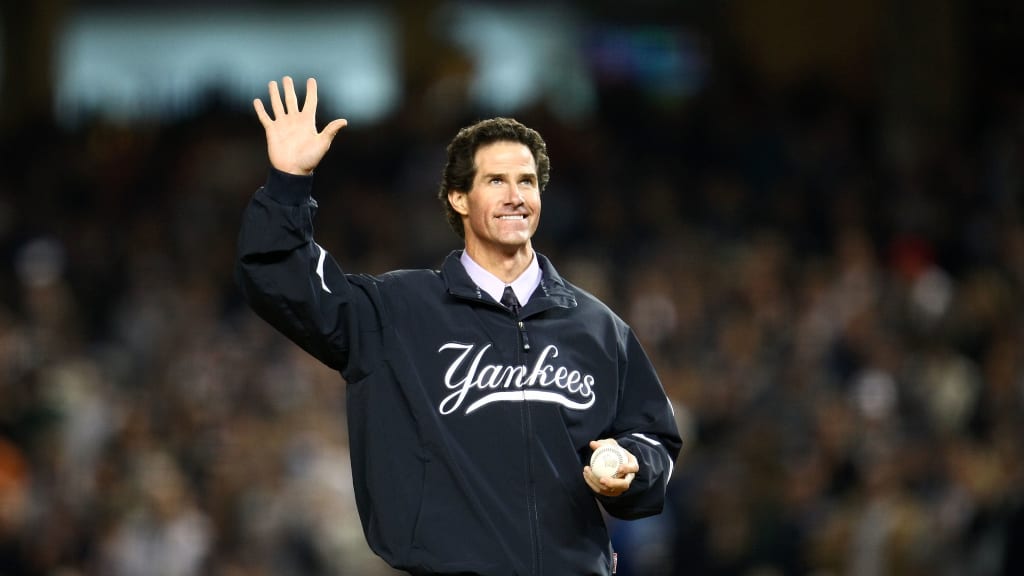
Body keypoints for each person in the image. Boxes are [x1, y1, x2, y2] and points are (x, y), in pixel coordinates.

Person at [236, 76, 682, 576]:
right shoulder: (398, 311)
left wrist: (632, 466)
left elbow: (654, 437)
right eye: (496, 181)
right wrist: (288, 183)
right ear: (458, 198)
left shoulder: (597, 326)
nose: (515, 196)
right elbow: (281, 282)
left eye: (527, 181)